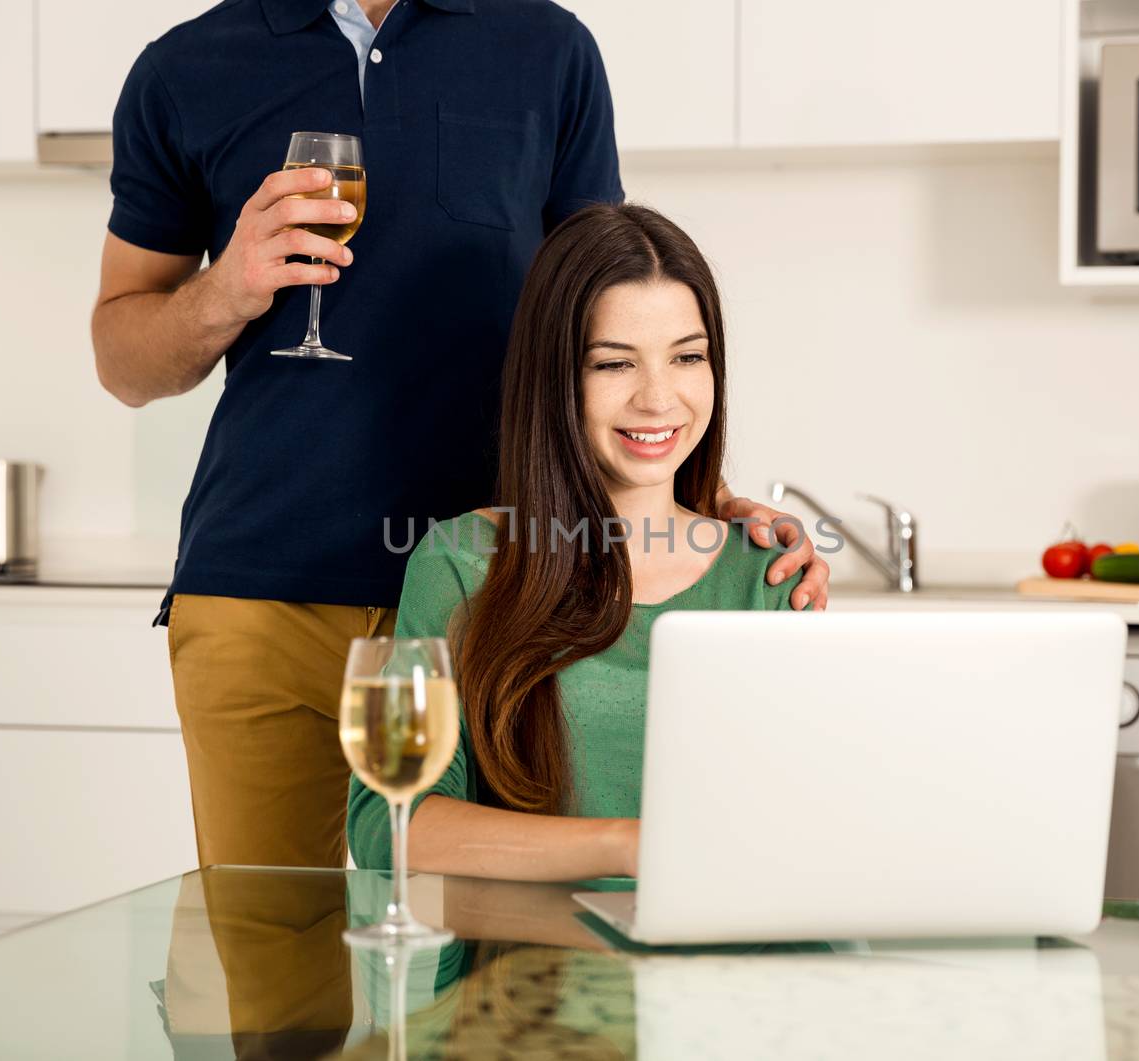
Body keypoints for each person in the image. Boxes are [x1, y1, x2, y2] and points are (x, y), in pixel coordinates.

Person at [92, 0, 830, 873]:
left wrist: (687, 503)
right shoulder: (183, 67)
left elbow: (602, 302)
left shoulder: (549, 49)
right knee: (277, 982)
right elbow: (123, 361)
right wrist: (227, 290)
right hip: (265, 595)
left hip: (497, 593)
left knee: (472, 969)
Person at [349, 204, 804, 880]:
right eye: (615, 364)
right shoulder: (460, 563)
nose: (659, 397)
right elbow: (390, 824)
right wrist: (625, 845)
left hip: (721, 968)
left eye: (688, 356)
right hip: (535, 976)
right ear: (556, 377)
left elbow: (801, 822)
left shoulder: (767, 572)